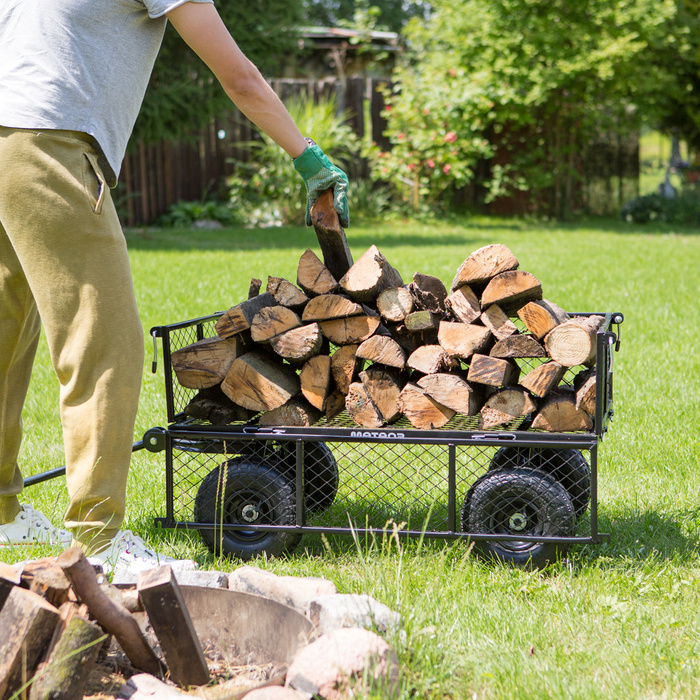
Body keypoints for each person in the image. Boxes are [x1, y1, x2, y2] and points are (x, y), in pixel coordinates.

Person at [0, 0, 349, 573]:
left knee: (7, 332)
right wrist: (306, 156)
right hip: (48, 140)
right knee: (104, 340)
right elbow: (237, 74)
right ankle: (100, 542)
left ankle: (3, 515)